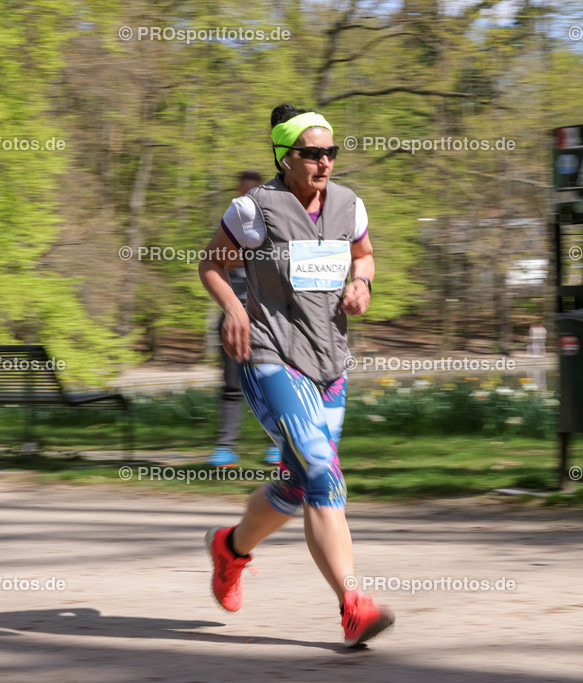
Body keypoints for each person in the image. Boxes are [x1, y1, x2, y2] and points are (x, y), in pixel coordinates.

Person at [197, 103, 393, 647]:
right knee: (321, 470)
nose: (324, 162)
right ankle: (353, 605)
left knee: (296, 483)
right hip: (272, 354)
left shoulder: (349, 205)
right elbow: (211, 263)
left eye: (331, 152)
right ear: (285, 156)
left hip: (329, 361)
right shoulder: (253, 209)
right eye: (312, 153)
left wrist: (363, 282)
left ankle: (230, 549)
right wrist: (235, 310)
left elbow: (365, 255)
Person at [208, 170, 281, 468]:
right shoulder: (229, 224)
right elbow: (215, 261)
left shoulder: (274, 226)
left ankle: (279, 445)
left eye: (251, 192)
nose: (245, 197)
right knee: (231, 385)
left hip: (267, 319)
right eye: (241, 191)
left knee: (273, 383)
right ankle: (225, 448)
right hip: (231, 317)